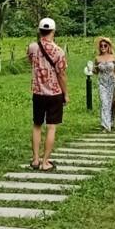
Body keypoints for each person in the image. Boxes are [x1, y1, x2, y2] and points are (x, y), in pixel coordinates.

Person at [26, 16, 67, 172]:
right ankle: (45, 162)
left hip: (38, 92)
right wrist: (66, 93)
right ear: (53, 31)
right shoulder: (59, 51)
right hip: (54, 93)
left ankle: (35, 160)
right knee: (51, 127)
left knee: (37, 125)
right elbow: (61, 74)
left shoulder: (32, 47)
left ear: (40, 30)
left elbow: (32, 62)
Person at [94, 36, 115, 132]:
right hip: (102, 83)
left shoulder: (113, 57)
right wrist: (92, 69)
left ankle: (111, 122)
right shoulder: (97, 58)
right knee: (104, 103)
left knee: (111, 104)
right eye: (101, 46)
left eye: (105, 45)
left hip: (112, 82)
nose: (103, 47)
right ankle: (105, 125)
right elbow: (96, 71)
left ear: (108, 46)